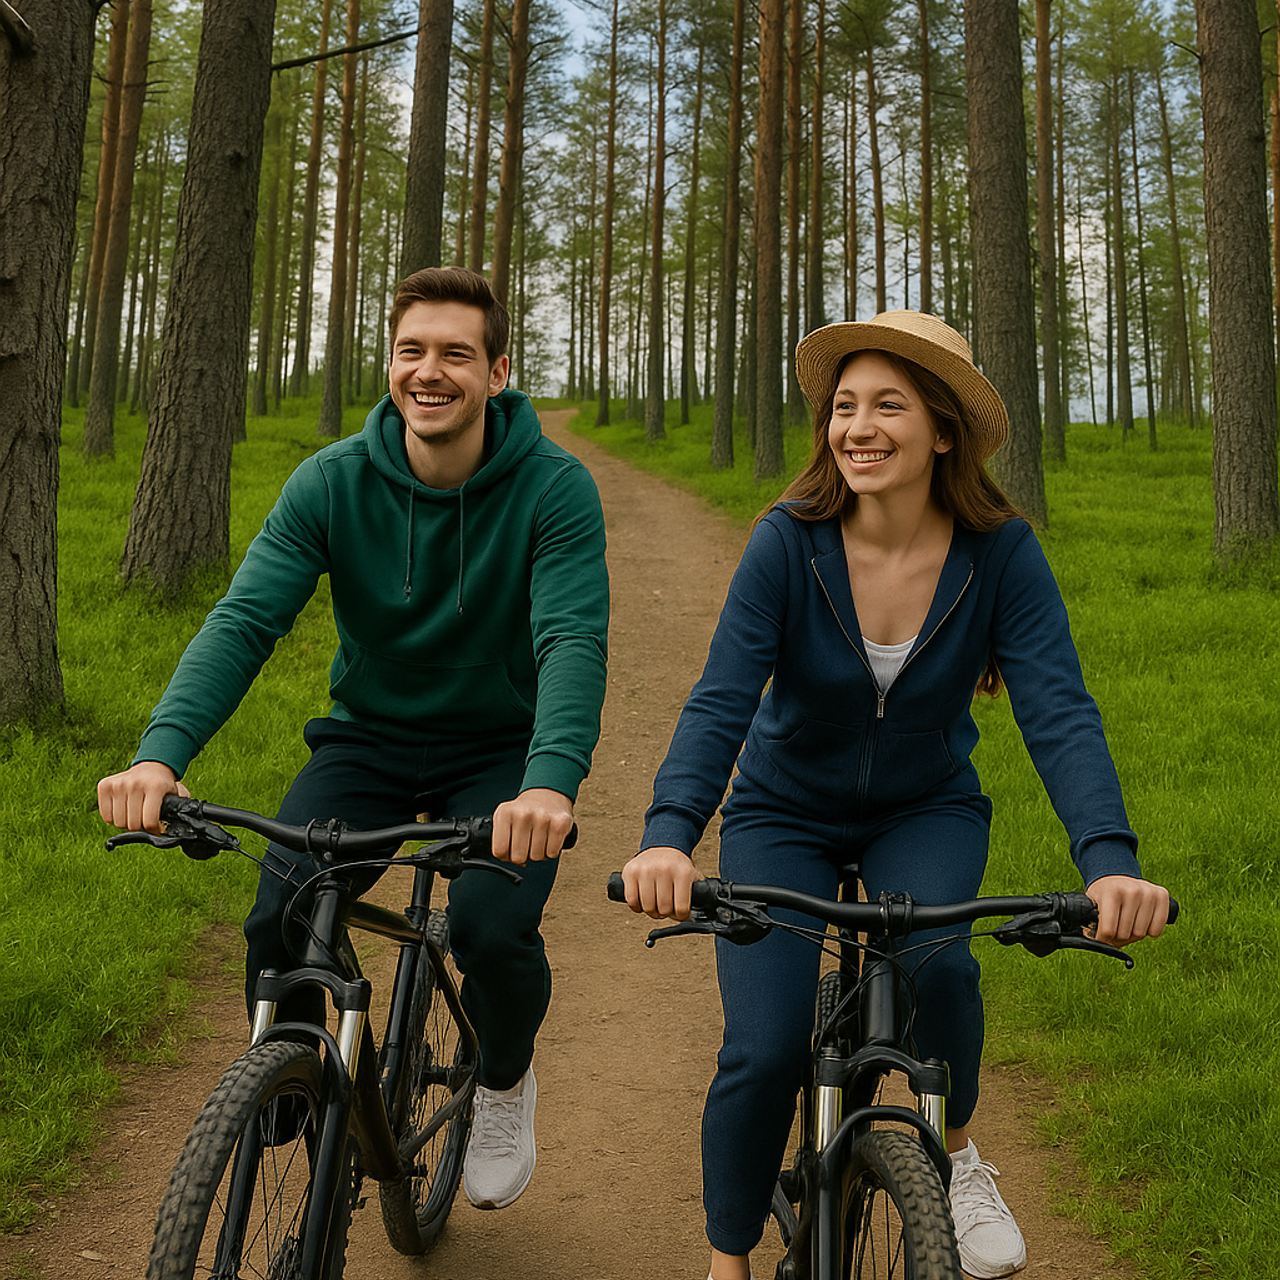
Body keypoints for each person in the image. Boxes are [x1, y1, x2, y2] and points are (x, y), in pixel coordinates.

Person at [622, 310, 1169, 1280]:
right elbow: (719, 697)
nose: (856, 426)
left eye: (886, 405)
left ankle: (953, 1151)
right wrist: (668, 836)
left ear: (942, 430)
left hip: (924, 807)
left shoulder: (998, 553)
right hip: (780, 809)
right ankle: (726, 1257)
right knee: (761, 1046)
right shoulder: (787, 544)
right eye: (842, 406)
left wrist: (1108, 859)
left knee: (942, 970)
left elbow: (1058, 711)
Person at [98, 266, 610, 1212]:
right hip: (369, 740)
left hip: (500, 749)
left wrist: (548, 782)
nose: (430, 371)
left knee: (494, 930)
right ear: (390, 364)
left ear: (498, 371)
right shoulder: (331, 481)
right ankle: (291, 1087)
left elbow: (570, 637)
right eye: (412, 351)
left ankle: (500, 1078)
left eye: (456, 353)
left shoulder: (553, 488)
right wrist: (159, 754)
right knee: (279, 914)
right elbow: (245, 620)